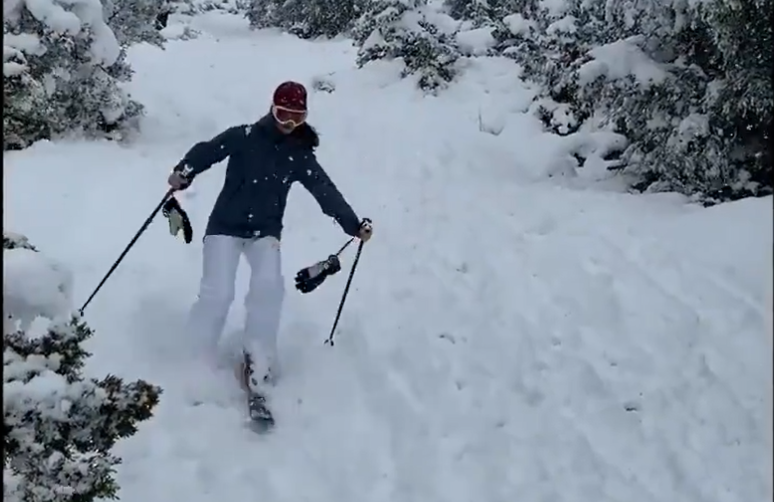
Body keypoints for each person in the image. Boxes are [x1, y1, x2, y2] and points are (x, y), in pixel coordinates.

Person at [167, 81, 372, 397]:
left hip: (265, 232)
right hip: (224, 227)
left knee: (269, 290)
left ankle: (258, 359)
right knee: (218, 293)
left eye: (297, 118)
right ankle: (195, 356)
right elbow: (208, 150)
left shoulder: (299, 156)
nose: (289, 124)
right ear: (271, 109)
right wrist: (184, 171)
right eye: (283, 114)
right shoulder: (244, 136)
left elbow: (325, 192)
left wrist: (352, 225)